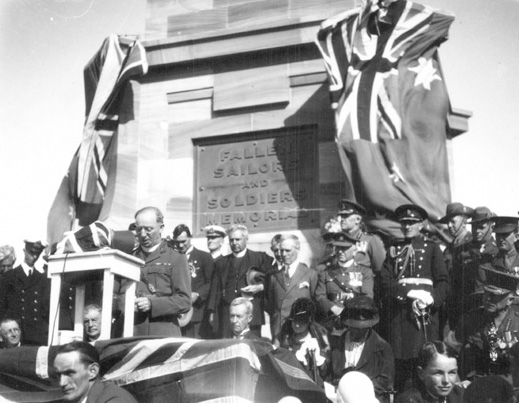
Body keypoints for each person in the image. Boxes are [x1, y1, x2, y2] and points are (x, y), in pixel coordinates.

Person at [380, 204, 449, 392]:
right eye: (404, 223)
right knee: (402, 368)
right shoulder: (394, 249)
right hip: (401, 316)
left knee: (427, 362)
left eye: (412, 222)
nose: (407, 226)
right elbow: (385, 281)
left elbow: (443, 281)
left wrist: (432, 299)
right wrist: (408, 293)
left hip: (425, 315)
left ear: (421, 225)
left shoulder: (432, 248)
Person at [132, 206, 191, 336]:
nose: (143, 234)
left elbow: (185, 301)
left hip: (162, 332)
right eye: (139, 229)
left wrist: (153, 304)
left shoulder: (175, 257)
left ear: (161, 228)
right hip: (133, 331)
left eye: (148, 229)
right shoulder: (129, 257)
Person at [325, 296, 394, 403]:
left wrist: (358, 392)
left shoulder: (382, 347)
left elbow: (385, 381)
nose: (357, 331)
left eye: (362, 328)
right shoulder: (337, 344)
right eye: (354, 327)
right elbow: (329, 375)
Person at [208, 224, 272, 338]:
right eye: (231, 240)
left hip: (251, 314)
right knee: (228, 345)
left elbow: (272, 279)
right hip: (227, 315)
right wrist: (212, 312)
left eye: (238, 239)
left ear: (246, 239)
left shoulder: (259, 258)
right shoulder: (221, 262)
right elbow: (215, 289)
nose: (234, 243)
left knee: (251, 345)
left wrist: (259, 287)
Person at [455, 267, 519, 379]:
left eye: (495, 295)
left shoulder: (517, 323)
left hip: (509, 384)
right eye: (486, 293)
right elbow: (450, 353)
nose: (488, 299)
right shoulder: (470, 319)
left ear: (510, 300)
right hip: (476, 382)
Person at [266, 234, 326, 344]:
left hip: (302, 330)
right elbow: (271, 305)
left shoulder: (310, 274)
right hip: (280, 333)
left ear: (297, 249)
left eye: (288, 251)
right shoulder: (274, 277)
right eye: (281, 250)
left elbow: (316, 304)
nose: (284, 254)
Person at [447, 206, 498, 330]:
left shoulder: (497, 251)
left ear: (491, 227)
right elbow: (454, 281)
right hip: (466, 308)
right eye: (474, 227)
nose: (477, 231)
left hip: (489, 308)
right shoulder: (462, 250)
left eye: (482, 227)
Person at [0, 239, 50, 346]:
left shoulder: (42, 279)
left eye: (37, 253)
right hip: (15, 336)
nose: (34, 257)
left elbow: (45, 310)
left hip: (36, 336)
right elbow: (2, 307)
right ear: (24, 251)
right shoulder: (9, 276)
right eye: (31, 252)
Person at [53, 341, 138, 402]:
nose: (62, 383)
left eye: (69, 373)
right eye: (58, 375)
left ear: (92, 371)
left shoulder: (115, 400)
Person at [320, 232, 374, 326]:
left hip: (356, 320)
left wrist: (351, 311)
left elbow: (367, 296)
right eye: (338, 248)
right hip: (333, 320)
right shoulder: (325, 272)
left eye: (344, 248)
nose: (340, 251)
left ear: (354, 250)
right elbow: (320, 296)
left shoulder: (364, 272)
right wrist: (334, 309)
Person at [171, 224, 214, 339]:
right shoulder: (171, 258)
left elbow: (211, 283)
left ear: (191, 237)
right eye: (177, 242)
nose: (180, 245)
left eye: (183, 241)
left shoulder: (204, 257)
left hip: (197, 314)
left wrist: (198, 294)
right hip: (176, 313)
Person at [439, 203, 474, 334]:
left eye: (453, 221)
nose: (449, 225)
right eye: (447, 222)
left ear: (464, 221)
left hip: (467, 304)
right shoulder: (449, 248)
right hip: (451, 304)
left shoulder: (472, 245)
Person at [279, 298, 329, 383]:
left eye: (301, 321)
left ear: (309, 321)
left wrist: (318, 359)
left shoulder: (319, 337)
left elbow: (325, 374)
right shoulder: (286, 336)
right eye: (294, 321)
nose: (297, 325)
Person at [395, 341, 464, 403]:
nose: (446, 380)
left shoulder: (460, 395)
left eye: (452, 372)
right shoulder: (409, 400)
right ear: (421, 373)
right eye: (438, 373)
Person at [337, 199, 386, 276]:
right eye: (341, 216)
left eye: (346, 216)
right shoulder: (338, 241)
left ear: (358, 220)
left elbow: (380, 270)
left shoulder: (371, 240)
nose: (342, 219)